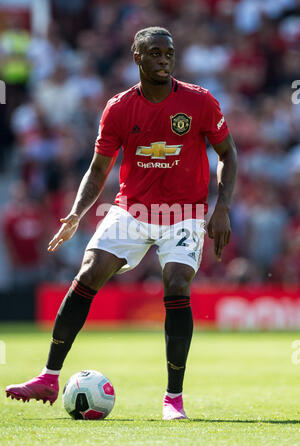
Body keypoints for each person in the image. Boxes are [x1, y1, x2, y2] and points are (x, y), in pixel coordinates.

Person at [6, 27, 237, 420]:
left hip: (184, 212)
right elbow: (98, 170)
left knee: (177, 281)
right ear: (137, 57)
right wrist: (77, 214)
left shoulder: (200, 102)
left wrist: (222, 208)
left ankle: (173, 399)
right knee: (90, 270)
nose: (164, 59)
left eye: (169, 53)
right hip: (132, 209)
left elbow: (228, 155)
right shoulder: (118, 108)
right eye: (155, 53)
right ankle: (48, 376)